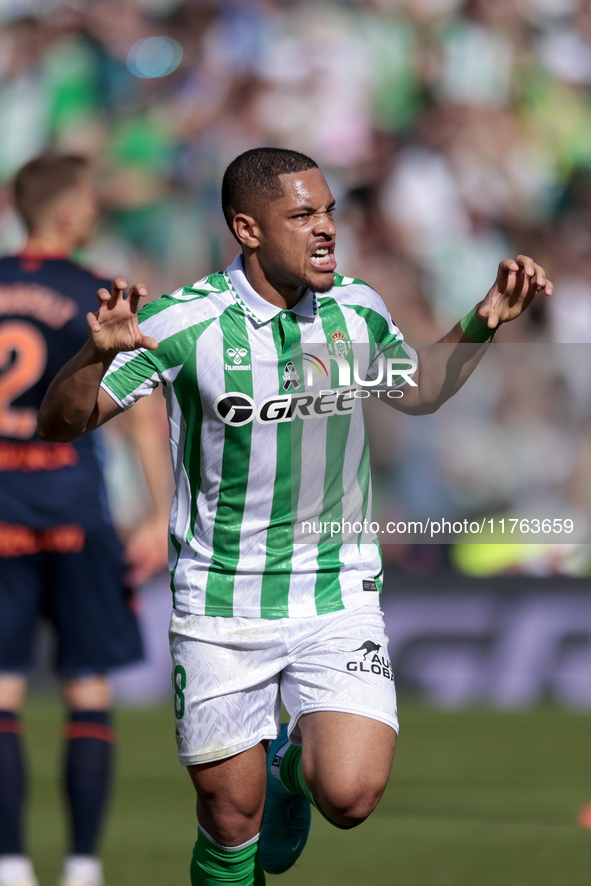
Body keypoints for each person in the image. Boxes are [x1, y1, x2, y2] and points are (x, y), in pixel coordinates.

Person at [37, 147, 554, 886]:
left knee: (349, 794)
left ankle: (288, 771)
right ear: (247, 228)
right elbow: (61, 422)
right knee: (227, 819)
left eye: (329, 212)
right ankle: (255, 797)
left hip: (335, 591)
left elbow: (418, 390)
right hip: (222, 601)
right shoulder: (182, 324)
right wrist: (92, 354)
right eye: (302, 215)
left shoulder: (356, 307)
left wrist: (483, 320)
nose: (325, 230)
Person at [0, 154, 170, 886]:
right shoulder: (94, 297)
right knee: (86, 686)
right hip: (76, 508)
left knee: (2, 690)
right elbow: (138, 416)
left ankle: (8, 862)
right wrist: (160, 512)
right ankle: (81, 865)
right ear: (70, 213)